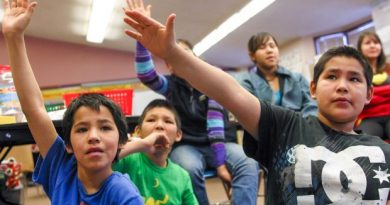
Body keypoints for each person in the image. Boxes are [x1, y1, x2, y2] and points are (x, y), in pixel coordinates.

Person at [122, 8, 390, 204]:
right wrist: (172, 53)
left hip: (218, 143)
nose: (342, 85)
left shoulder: (382, 150)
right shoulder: (285, 128)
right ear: (312, 88)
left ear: (369, 94)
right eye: (331, 76)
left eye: (354, 79)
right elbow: (228, 90)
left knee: (245, 166)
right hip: (193, 144)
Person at [1, 0, 145, 204]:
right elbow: (34, 109)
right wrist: (14, 37)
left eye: (105, 127)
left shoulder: (123, 194)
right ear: (67, 144)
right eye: (82, 129)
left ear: (122, 141)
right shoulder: (61, 169)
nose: (93, 136)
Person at [126, 1, 259, 204]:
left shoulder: (209, 80)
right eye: (174, 54)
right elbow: (146, 74)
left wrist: (221, 163)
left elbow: (215, 127)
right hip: (188, 146)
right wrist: (143, 39)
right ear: (170, 66)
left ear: (194, 58)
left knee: (248, 163)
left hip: (221, 143)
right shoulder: (171, 86)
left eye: (186, 52)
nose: (181, 56)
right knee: (188, 168)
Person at [236, 32, 317, 158]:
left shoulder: (297, 78)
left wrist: (300, 130)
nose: (269, 50)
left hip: (302, 136)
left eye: (272, 46)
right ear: (252, 56)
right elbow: (251, 115)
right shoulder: (246, 81)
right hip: (267, 142)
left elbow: (311, 106)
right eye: (262, 47)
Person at [113, 99, 199, 205]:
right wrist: (141, 145)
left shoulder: (183, 176)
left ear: (178, 135)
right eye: (151, 120)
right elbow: (104, 160)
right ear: (138, 132)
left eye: (168, 121)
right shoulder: (126, 160)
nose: (159, 126)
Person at [356, 31, 390, 140]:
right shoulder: (355, 71)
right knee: (364, 143)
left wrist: (372, 95)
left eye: (375, 42)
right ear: (360, 48)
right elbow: (358, 97)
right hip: (369, 118)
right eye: (367, 43)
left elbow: (366, 95)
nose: (372, 45)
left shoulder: (388, 67)